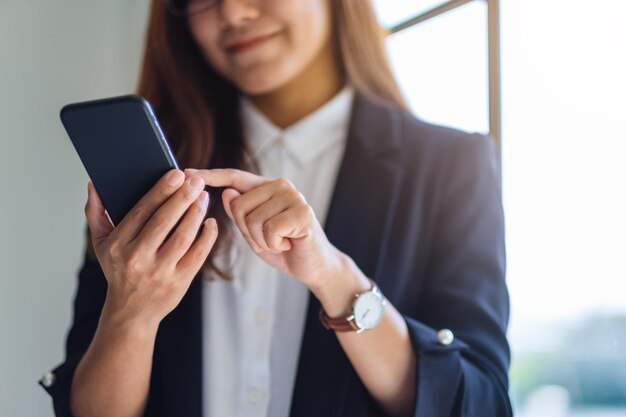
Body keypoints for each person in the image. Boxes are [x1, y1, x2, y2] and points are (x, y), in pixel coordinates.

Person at [39, 0, 512, 416]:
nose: (233, 12)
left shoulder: (452, 166)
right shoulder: (157, 178)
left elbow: (480, 403)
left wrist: (335, 278)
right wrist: (131, 314)